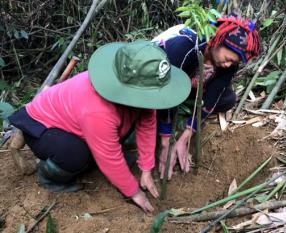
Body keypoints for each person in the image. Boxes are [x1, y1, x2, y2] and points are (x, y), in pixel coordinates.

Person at [7, 40, 191, 212]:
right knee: (75, 154)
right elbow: (109, 155)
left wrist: (146, 169)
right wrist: (134, 192)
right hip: (42, 125)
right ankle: (48, 177)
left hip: (80, 123)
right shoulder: (97, 110)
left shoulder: (143, 91)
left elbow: (147, 123)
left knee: (124, 136)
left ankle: (89, 157)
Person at [154, 14, 260, 180]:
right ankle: (169, 120)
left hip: (189, 86)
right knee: (155, 120)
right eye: (227, 59)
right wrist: (165, 142)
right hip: (159, 82)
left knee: (227, 99)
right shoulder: (185, 46)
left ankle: (184, 113)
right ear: (217, 41)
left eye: (232, 62)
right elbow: (167, 91)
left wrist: (185, 137)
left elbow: (213, 96)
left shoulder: (228, 65)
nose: (228, 65)